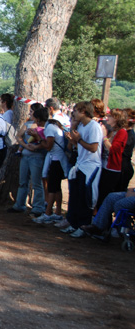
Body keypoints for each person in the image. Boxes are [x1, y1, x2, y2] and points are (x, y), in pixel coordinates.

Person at [63, 101, 103, 237]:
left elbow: (93, 147)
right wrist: (73, 139)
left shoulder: (94, 126)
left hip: (90, 167)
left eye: (76, 110)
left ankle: (83, 226)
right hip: (80, 164)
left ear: (84, 111)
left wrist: (78, 140)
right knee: (75, 196)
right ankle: (74, 224)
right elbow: (76, 145)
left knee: (85, 197)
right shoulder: (81, 126)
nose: (73, 113)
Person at [96, 108, 128, 209]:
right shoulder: (114, 131)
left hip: (112, 169)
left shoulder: (122, 132)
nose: (107, 118)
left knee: (104, 195)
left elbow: (113, 149)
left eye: (110, 116)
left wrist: (104, 136)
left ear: (117, 118)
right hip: (105, 166)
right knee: (100, 194)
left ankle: (103, 222)